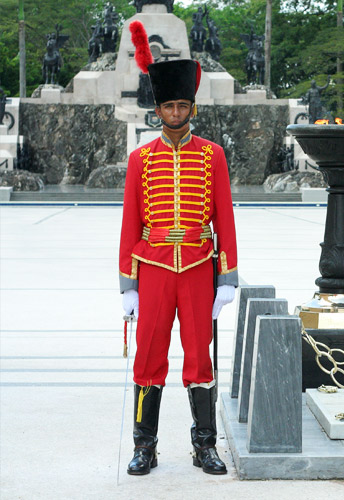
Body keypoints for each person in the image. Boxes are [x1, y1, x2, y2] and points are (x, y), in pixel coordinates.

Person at [119, 20, 238, 476]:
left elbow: (224, 218)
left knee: (198, 356)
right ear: (158, 110)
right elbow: (131, 223)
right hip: (150, 270)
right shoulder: (139, 159)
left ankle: (204, 445)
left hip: (196, 269)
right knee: (148, 356)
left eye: (181, 105)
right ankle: (144, 447)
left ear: (191, 107)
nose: (174, 112)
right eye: (167, 105)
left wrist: (226, 278)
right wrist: (127, 285)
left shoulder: (212, 155)